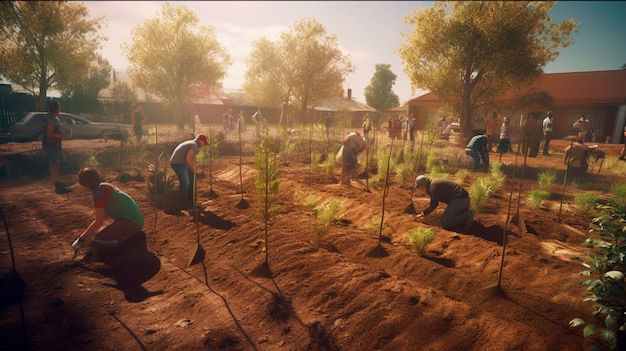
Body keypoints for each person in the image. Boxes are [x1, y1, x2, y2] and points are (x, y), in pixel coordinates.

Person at [71, 168, 145, 259]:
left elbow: (99, 221)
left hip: (130, 222)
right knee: (101, 233)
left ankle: (125, 248)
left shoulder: (98, 192)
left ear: (84, 184)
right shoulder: (105, 186)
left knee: (97, 241)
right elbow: (104, 217)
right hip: (136, 220)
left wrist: (81, 240)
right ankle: (128, 238)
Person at [169, 134, 209, 208]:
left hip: (180, 162)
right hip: (178, 163)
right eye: (204, 143)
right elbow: (188, 158)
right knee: (185, 183)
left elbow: (187, 158)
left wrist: (191, 170)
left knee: (190, 180)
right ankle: (181, 202)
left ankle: (190, 201)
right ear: (200, 140)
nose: (203, 145)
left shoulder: (191, 143)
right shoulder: (194, 145)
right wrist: (194, 170)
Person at [42, 101, 72, 194]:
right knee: (54, 165)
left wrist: (62, 133)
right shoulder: (51, 118)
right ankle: (58, 186)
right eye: (59, 108)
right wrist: (64, 136)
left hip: (53, 145)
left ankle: (58, 183)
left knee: (56, 164)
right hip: (52, 145)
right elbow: (50, 134)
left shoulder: (51, 117)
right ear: (57, 109)